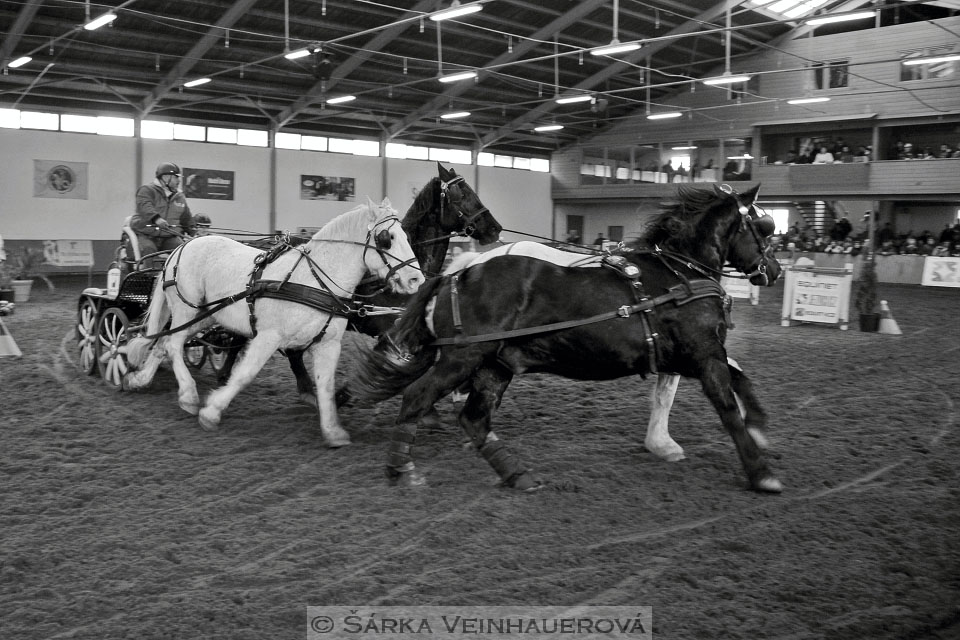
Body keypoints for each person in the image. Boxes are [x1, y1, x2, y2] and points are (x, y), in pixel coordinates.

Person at [131, 162, 196, 256]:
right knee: (148, 250)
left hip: (169, 237)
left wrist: (194, 232)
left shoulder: (180, 196)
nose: (179, 181)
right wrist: (156, 218)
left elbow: (186, 218)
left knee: (181, 250)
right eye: (176, 177)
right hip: (146, 234)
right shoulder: (147, 190)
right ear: (166, 177)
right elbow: (145, 206)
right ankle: (148, 271)